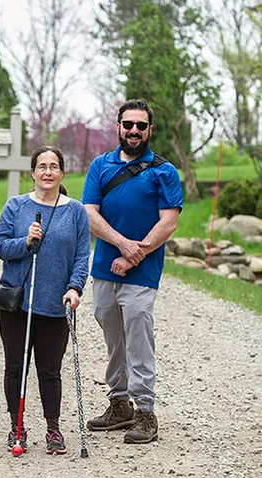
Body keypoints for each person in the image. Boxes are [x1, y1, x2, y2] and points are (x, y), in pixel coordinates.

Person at [82, 99, 182, 444]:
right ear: (118, 127)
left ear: (150, 130)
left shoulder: (163, 171)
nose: (134, 131)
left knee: (139, 337)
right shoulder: (100, 165)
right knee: (113, 338)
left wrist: (135, 254)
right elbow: (90, 213)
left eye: (141, 125)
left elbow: (168, 222)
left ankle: (145, 411)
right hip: (105, 269)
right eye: (129, 125)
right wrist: (123, 244)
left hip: (142, 272)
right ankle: (119, 403)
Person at [0, 146, 90, 455]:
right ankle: (16, 426)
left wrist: (75, 288)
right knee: (15, 366)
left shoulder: (75, 211)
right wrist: (25, 241)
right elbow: (1, 247)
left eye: (54, 166)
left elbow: (81, 256)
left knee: (50, 369)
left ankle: (53, 428)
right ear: (32, 172)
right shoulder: (15, 206)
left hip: (56, 303)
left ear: (62, 173)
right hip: (17, 302)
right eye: (42, 166)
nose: (47, 172)